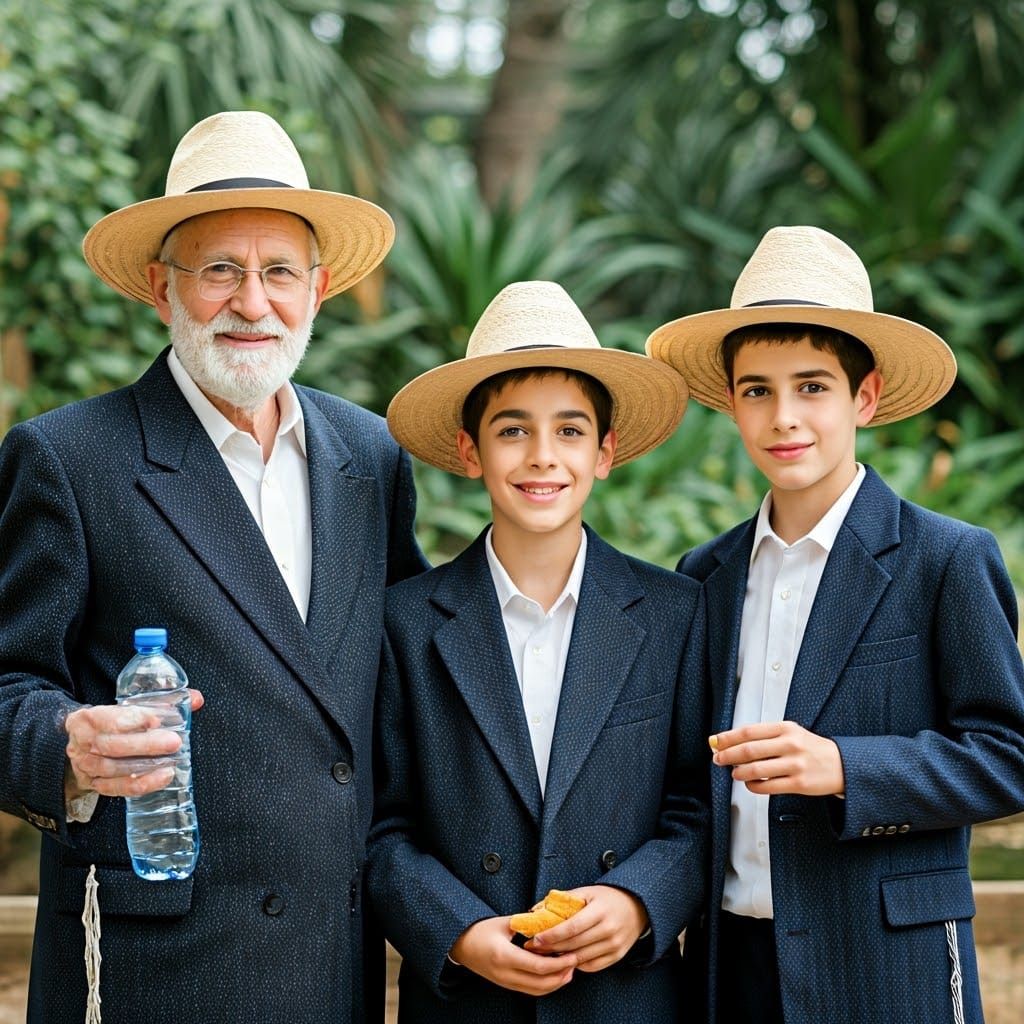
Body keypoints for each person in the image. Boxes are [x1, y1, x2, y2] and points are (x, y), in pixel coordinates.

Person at [0, 110, 426, 1024]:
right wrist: (67, 745)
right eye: (219, 271)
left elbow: (400, 690)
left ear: (317, 289)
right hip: (159, 965)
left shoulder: (372, 456)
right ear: (161, 287)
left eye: (278, 272)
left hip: (332, 960)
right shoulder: (67, 459)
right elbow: (7, 685)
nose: (252, 302)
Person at [646, 225, 1024, 1024]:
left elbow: (1008, 756)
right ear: (734, 405)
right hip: (729, 965)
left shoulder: (946, 559)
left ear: (865, 396)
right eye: (757, 390)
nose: (784, 417)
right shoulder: (703, 576)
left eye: (812, 386)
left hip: (887, 966)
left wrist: (847, 767)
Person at [366, 280, 709, 1023]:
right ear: (469, 451)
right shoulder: (405, 621)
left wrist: (639, 900)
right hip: (466, 1003)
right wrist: (458, 932)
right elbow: (381, 823)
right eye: (513, 430)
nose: (543, 457)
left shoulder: (676, 612)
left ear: (606, 452)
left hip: (626, 999)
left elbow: (701, 804)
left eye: (571, 431)